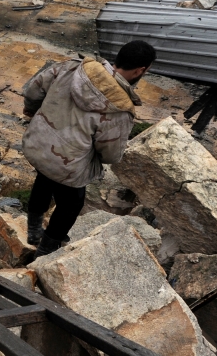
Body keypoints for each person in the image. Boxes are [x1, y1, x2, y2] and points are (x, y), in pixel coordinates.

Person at [21, 40, 156, 256]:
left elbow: (33, 92)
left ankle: (33, 231)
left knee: (44, 180)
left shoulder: (73, 67)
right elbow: (111, 154)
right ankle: (45, 250)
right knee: (71, 204)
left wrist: (32, 112)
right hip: (68, 167)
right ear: (141, 70)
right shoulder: (120, 108)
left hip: (38, 144)